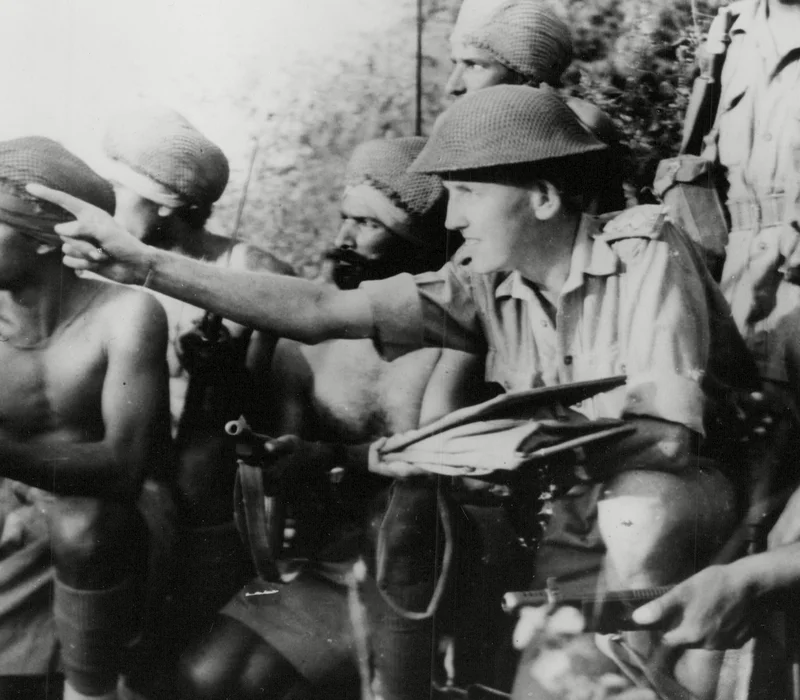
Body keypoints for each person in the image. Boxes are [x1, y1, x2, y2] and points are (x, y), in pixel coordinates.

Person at [30, 85, 752, 698]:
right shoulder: (482, 286)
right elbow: (319, 311)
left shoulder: (644, 247)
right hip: (569, 511)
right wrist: (147, 266)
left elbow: (669, 439)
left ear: (541, 197)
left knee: (637, 512)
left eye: (468, 193)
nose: (455, 218)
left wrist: (519, 446)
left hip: (691, 496)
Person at [176, 136, 491, 700]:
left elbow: (442, 473)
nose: (341, 239)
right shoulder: (309, 338)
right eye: (342, 219)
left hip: (422, 570)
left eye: (366, 225)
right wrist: (226, 388)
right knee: (203, 677)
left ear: (419, 238)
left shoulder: (457, 337)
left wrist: (329, 461)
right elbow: (282, 458)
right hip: (321, 562)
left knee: (280, 689)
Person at [101, 106, 295, 651]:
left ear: (167, 203)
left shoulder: (251, 272)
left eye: (120, 187)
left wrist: (225, 380)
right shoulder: (103, 268)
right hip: (125, 481)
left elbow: (274, 403)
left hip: (211, 495)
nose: (106, 200)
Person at [0, 136, 172, 700]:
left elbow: (125, 468)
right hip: (13, 503)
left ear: (48, 242)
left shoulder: (124, 314)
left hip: (108, 516)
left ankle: (89, 692)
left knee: (84, 528)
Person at [446, 0, 628, 214]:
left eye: (474, 66)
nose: (452, 86)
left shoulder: (579, 127)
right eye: (454, 64)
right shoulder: (461, 135)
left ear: (523, 75)